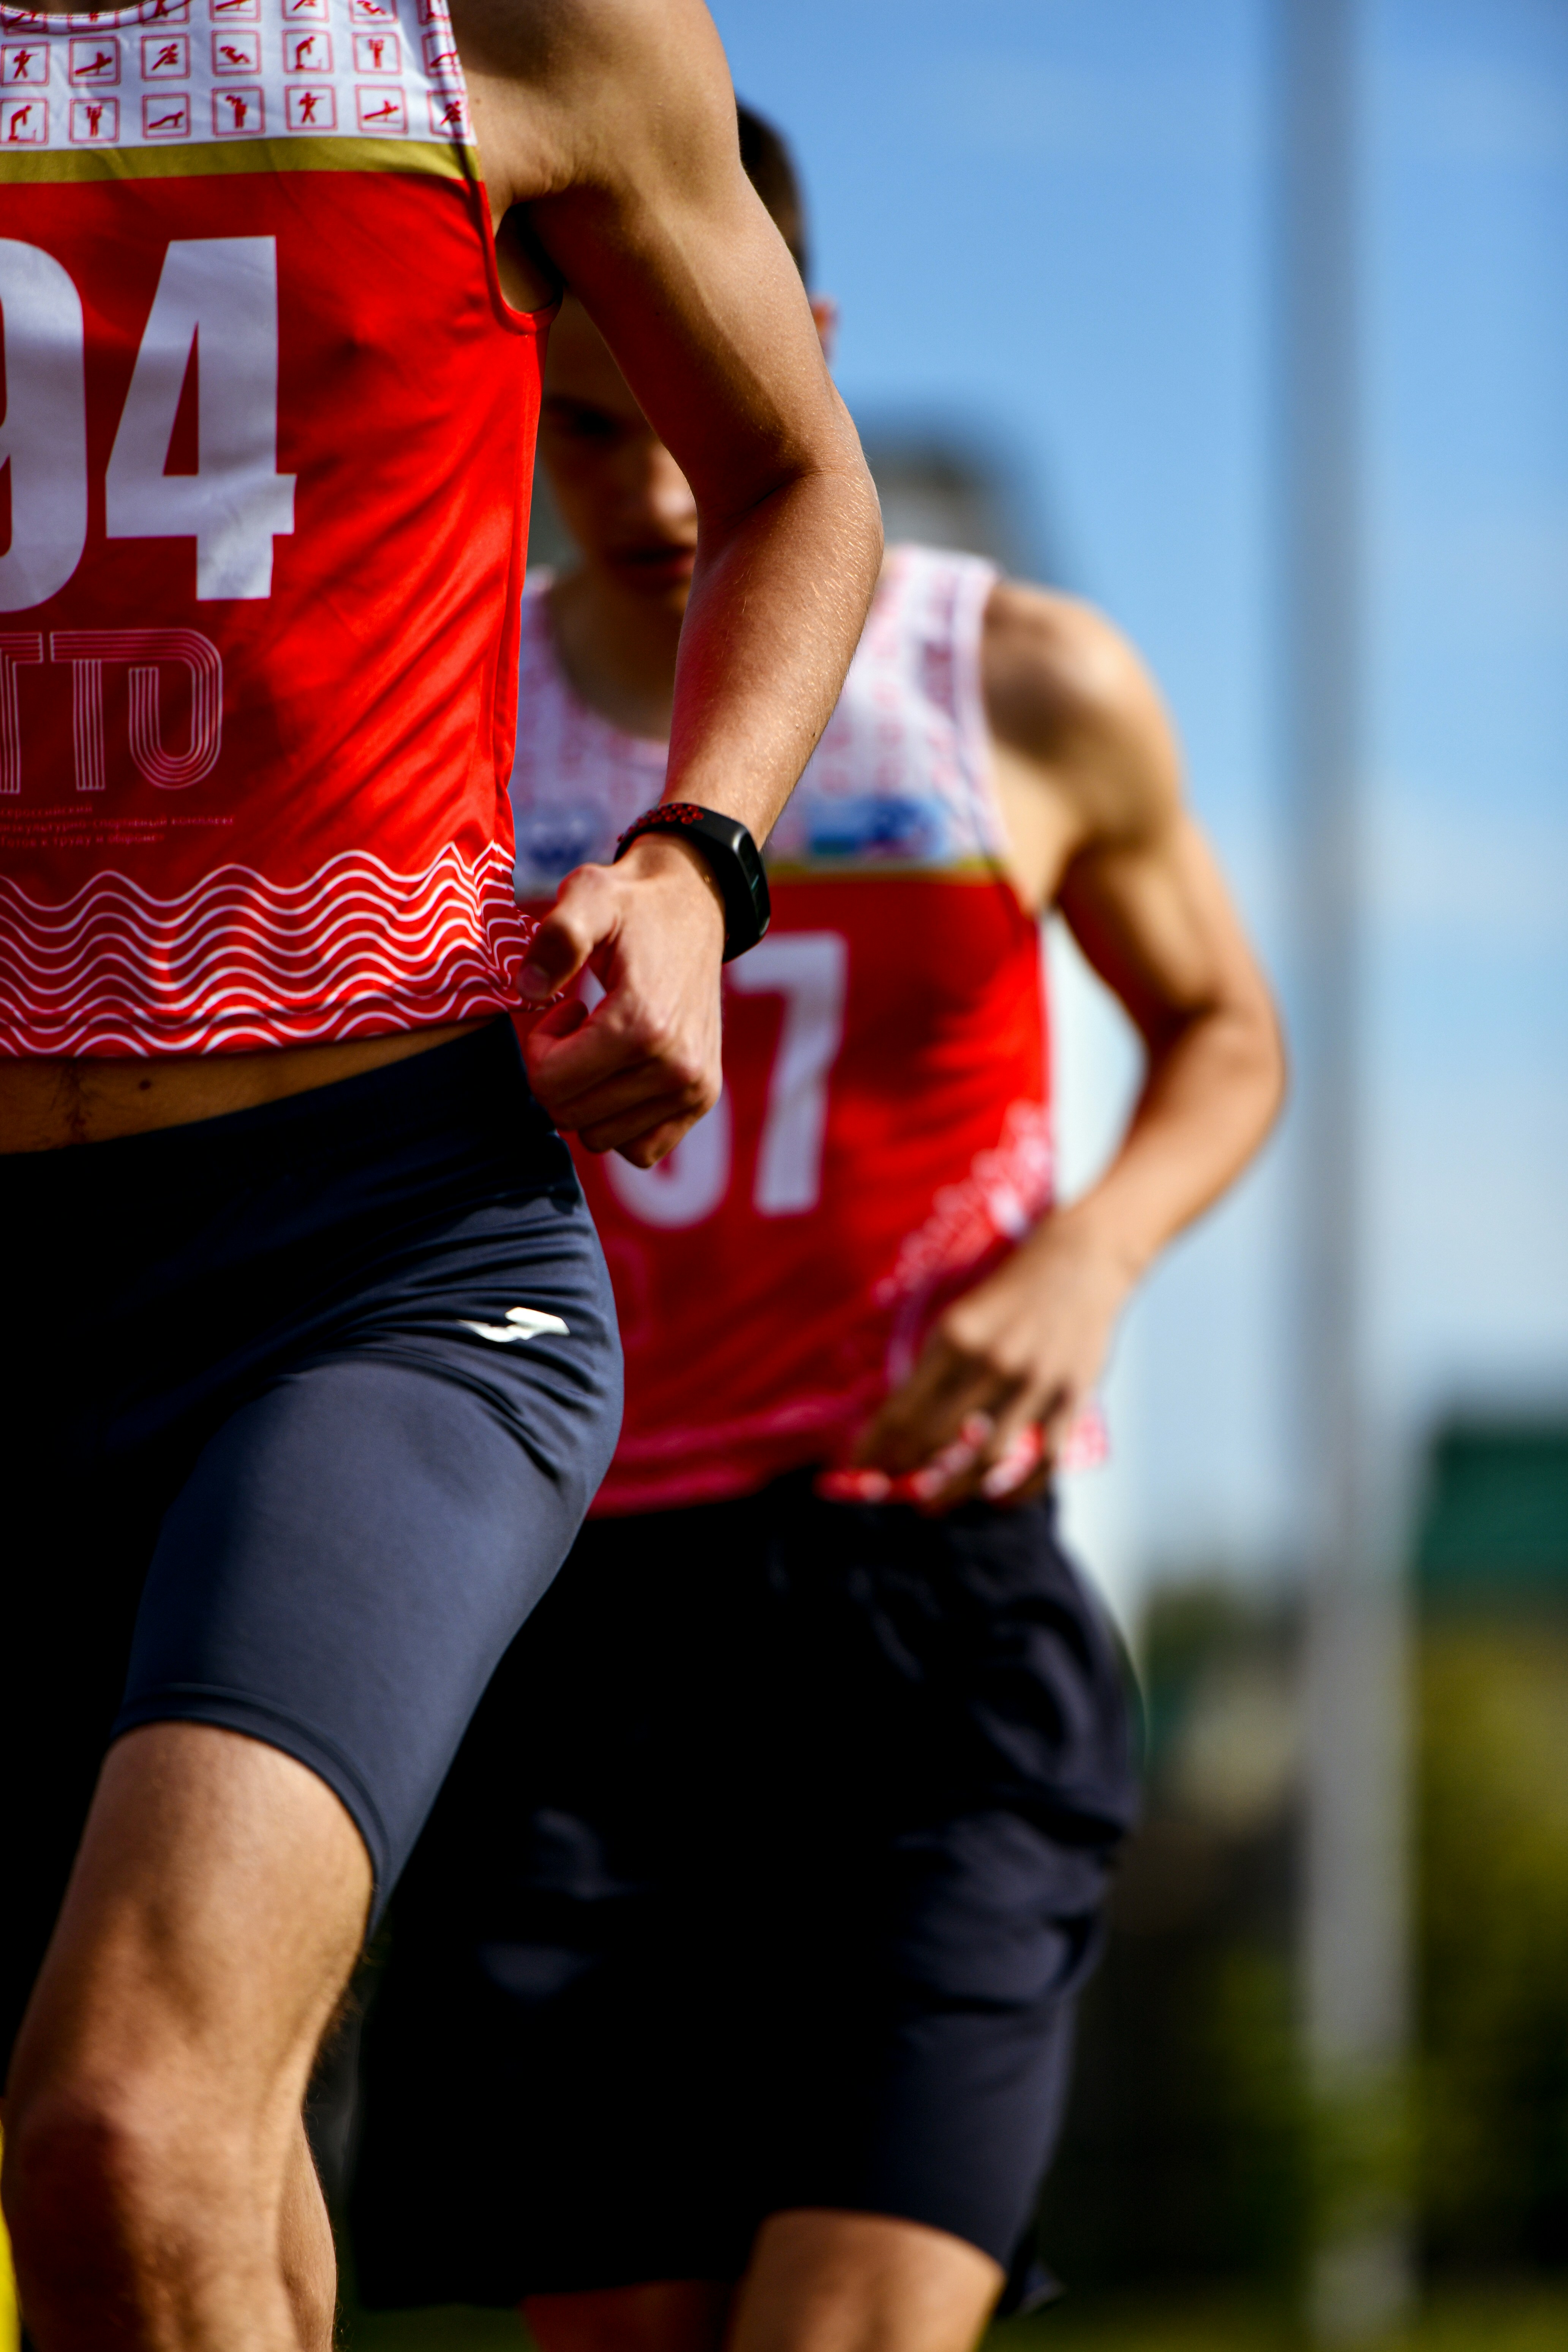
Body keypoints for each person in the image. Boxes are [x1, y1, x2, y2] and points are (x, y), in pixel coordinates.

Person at [347, 106, 1285, 2352]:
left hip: (927, 1603)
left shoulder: (1020, 685)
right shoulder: (432, 722)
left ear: (804, 336)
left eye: (692, 415)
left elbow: (1226, 1035)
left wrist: (1091, 1256)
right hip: (565, 1620)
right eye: (584, 432)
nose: (659, 491)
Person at [0, 11, 879, 2344]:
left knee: (121, 2119)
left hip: (365, 1247)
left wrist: (697, 862)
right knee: (193, 2148)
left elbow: (802, 477)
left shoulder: (515, 23)